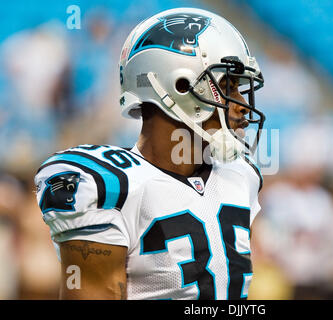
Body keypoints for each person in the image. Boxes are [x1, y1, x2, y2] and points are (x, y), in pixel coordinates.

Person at [34, 7, 265, 300]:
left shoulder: (242, 176)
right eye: (228, 86)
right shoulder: (109, 185)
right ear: (179, 86)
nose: (242, 105)